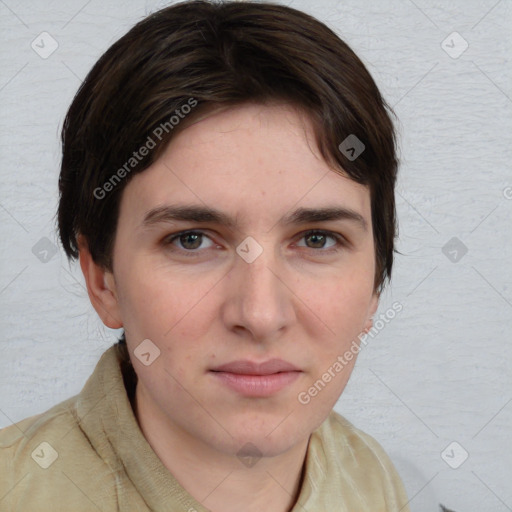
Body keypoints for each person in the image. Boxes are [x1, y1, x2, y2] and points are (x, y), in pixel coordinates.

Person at [0, 1, 410, 510]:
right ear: (102, 279)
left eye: (316, 239)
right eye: (191, 240)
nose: (260, 315)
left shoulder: (373, 481)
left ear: (374, 286)